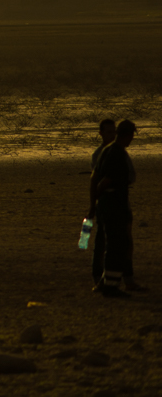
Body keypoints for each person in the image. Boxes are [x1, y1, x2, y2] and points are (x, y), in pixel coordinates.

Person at [90, 120, 141, 296]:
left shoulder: (107, 152)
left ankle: (110, 282)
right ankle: (109, 285)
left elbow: (93, 179)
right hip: (113, 205)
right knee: (114, 245)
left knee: (118, 243)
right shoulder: (115, 154)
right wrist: (99, 198)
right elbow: (103, 182)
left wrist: (94, 203)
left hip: (109, 205)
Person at [91, 118, 116, 289]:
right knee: (102, 239)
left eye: (113, 131)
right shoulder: (99, 154)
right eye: (108, 131)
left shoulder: (117, 151)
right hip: (105, 201)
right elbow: (96, 181)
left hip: (115, 200)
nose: (112, 134)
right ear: (100, 134)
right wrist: (93, 205)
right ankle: (98, 274)